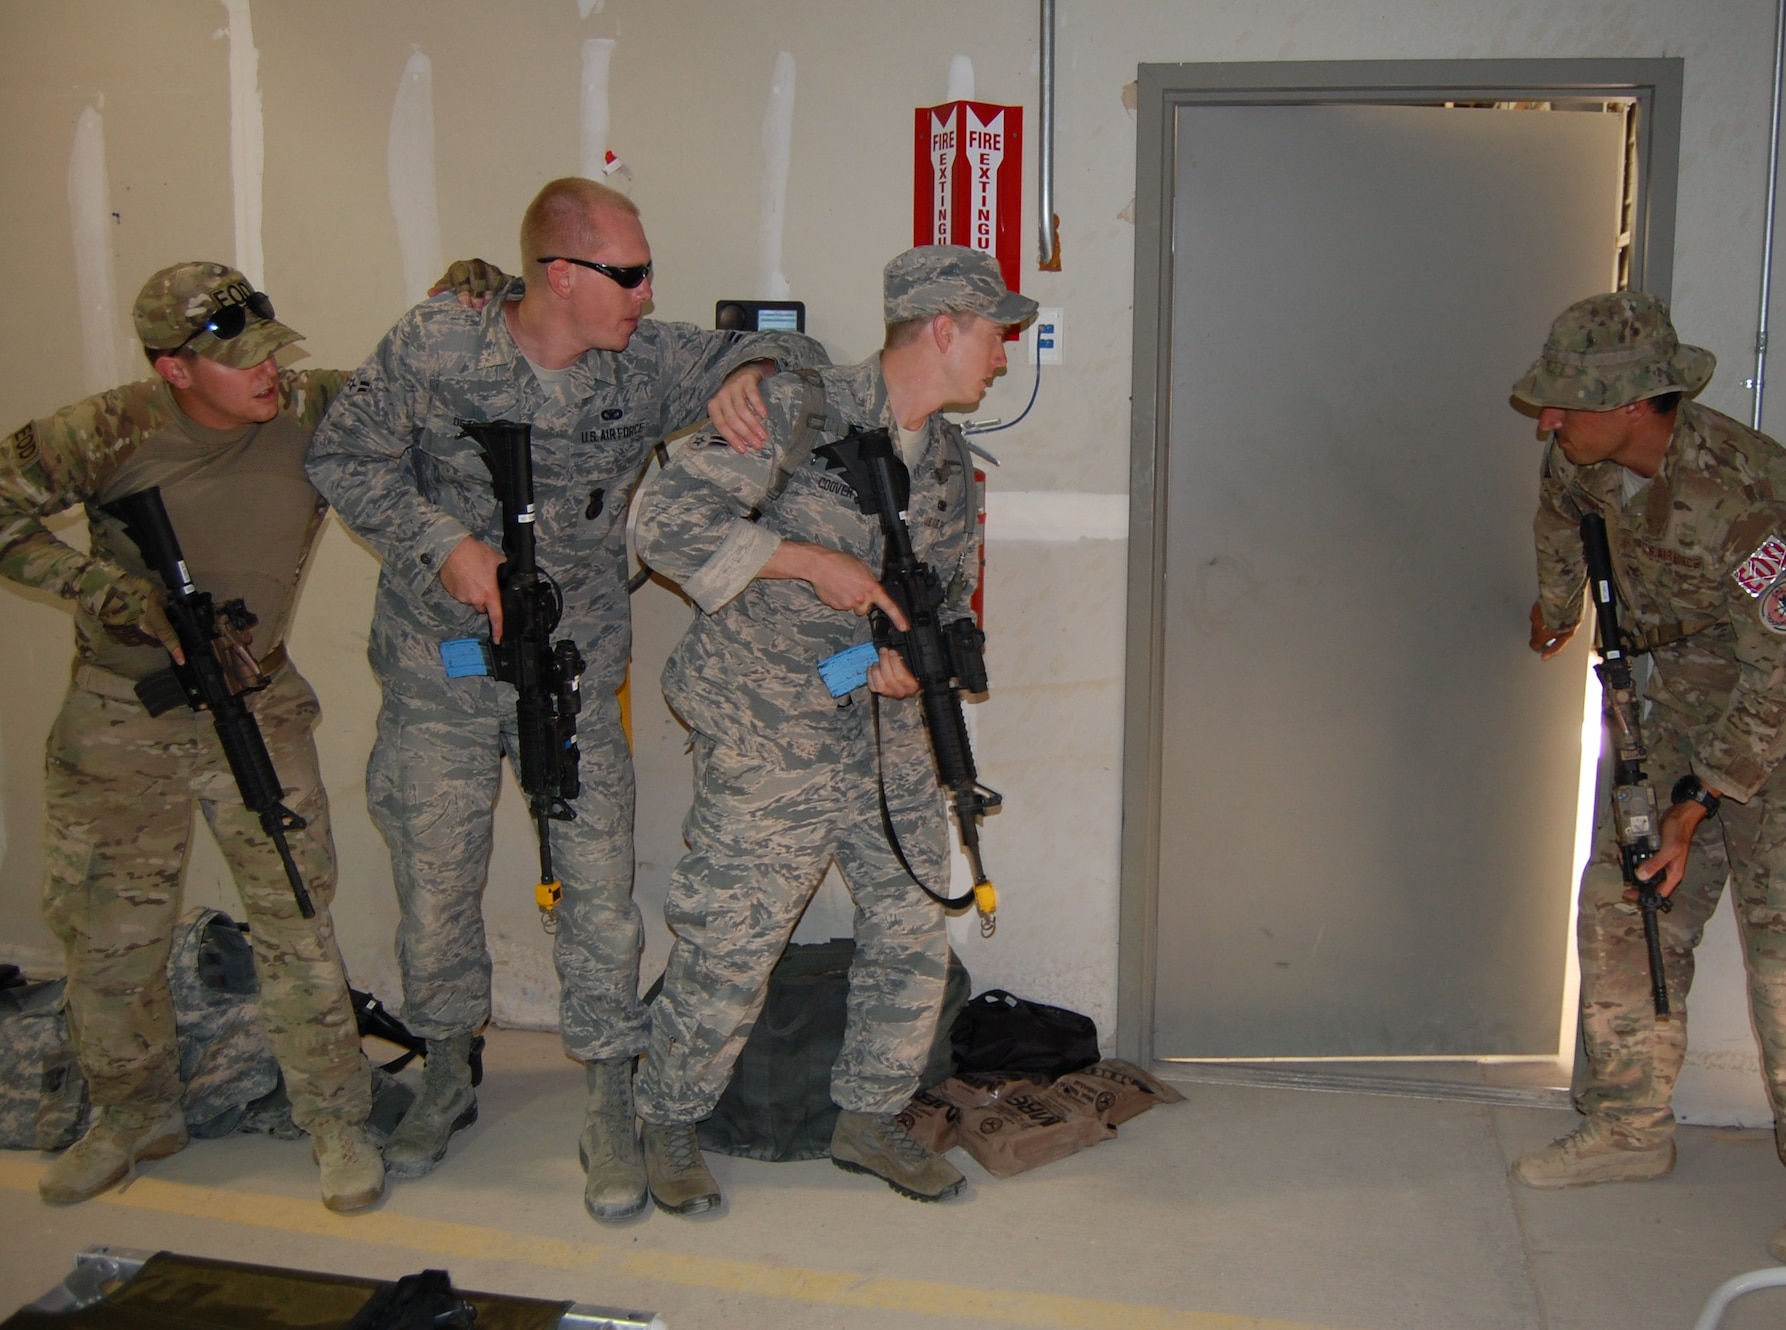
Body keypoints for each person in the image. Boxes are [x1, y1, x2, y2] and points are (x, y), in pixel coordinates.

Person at [304, 177, 823, 1222]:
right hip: (437, 664)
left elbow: (804, 362)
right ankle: (448, 1067)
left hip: (574, 670)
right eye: (626, 274)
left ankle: (606, 1092)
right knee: (436, 874)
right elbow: (340, 455)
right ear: (559, 275)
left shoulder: (645, 357)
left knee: (595, 885)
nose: (644, 293)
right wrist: (441, 541)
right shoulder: (435, 348)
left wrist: (757, 366)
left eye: (646, 273)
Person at [627, 244, 1034, 1214]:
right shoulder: (790, 410)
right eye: (994, 334)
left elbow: (939, 592)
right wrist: (800, 559)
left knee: (907, 929)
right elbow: (659, 522)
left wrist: (920, 661)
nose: (1004, 355)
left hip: (880, 728)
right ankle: (666, 1119)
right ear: (941, 328)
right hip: (773, 727)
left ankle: (867, 1116)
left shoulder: (943, 460)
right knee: (733, 937)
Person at [1509, 292, 1786, 1267]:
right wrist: (1557, 602)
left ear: (1638, 401)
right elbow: (1559, 511)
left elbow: (1785, 673)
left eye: (1567, 403)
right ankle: (1625, 1127)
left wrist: (1698, 802)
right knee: (1624, 910)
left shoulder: (1748, 494)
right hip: (1677, 702)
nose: (1548, 420)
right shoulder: (1581, 459)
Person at [0, 262, 383, 1212]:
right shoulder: (103, 431)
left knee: (297, 916)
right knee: (110, 937)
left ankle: (336, 1121)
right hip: (122, 719)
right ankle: (133, 1115)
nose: (268, 374)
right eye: (238, 359)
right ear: (173, 370)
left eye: (269, 348)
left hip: (257, 704)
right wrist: (110, 593)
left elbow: (432, 382)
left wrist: (481, 299)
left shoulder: (310, 404)